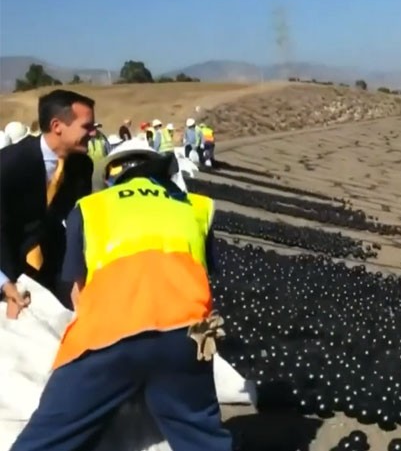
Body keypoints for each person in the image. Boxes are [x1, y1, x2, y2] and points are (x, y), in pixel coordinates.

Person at [9, 139, 233, 451]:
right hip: (185, 335)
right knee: (199, 434)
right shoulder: (197, 206)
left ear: (111, 175)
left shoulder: (89, 209)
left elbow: (78, 293)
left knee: (49, 437)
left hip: (107, 336)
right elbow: (203, 279)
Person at [0, 89, 94, 317]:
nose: (93, 133)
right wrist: (5, 283)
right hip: (7, 264)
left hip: (54, 261)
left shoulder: (82, 166)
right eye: (86, 126)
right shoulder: (9, 165)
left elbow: (79, 222)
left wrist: (78, 274)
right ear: (57, 126)